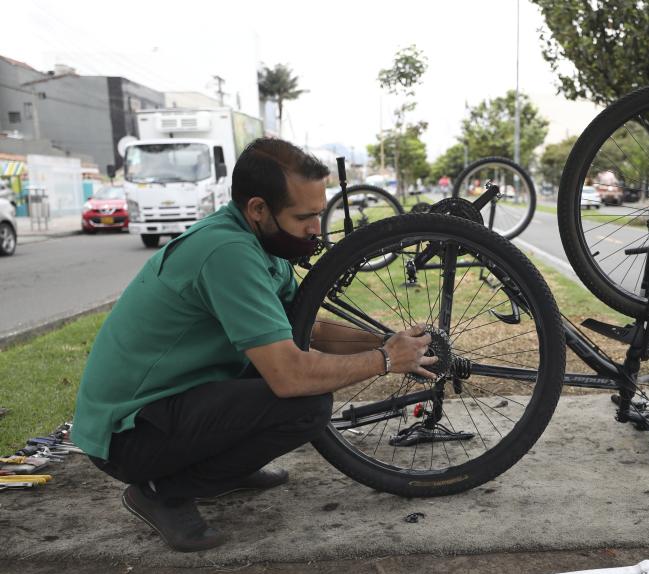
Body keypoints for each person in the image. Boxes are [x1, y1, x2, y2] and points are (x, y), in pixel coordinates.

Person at [72, 138, 438, 552]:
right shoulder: (227, 252)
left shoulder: (262, 243)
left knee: (284, 374)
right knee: (305, 404)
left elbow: (308, 329)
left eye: (320, 214)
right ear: (258, 209)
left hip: (171, 403)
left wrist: (384, 341)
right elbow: (289, 377)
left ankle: (222, 469)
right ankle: (160, 490)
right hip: (128, 433)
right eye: (305, 217)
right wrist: (386, 360)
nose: (316, 228)